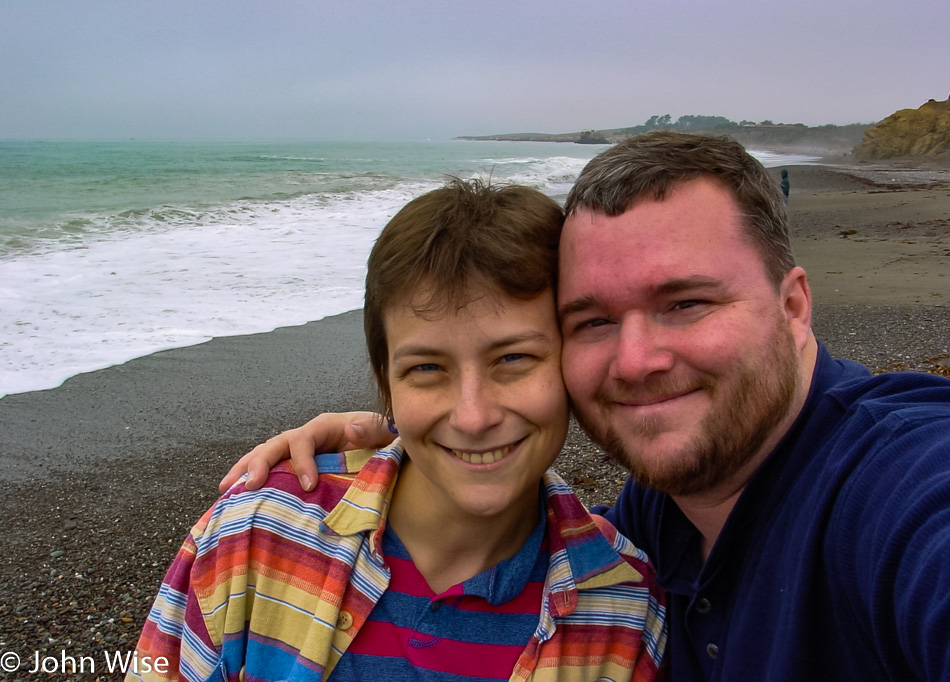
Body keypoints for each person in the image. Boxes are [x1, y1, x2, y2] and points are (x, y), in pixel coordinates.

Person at [223, 131, 950, 681]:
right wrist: (397, 437)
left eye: (686, 302)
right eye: (594, 321)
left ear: (792, 307)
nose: (636, 361)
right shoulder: (648, 528)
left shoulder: (894, 488)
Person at [130, 179, 666, 682]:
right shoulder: (254, 531)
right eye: (427, 369)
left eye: (514, 358)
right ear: (386, 383)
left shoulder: (624, 605)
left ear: (571, 363)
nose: (473, 416)